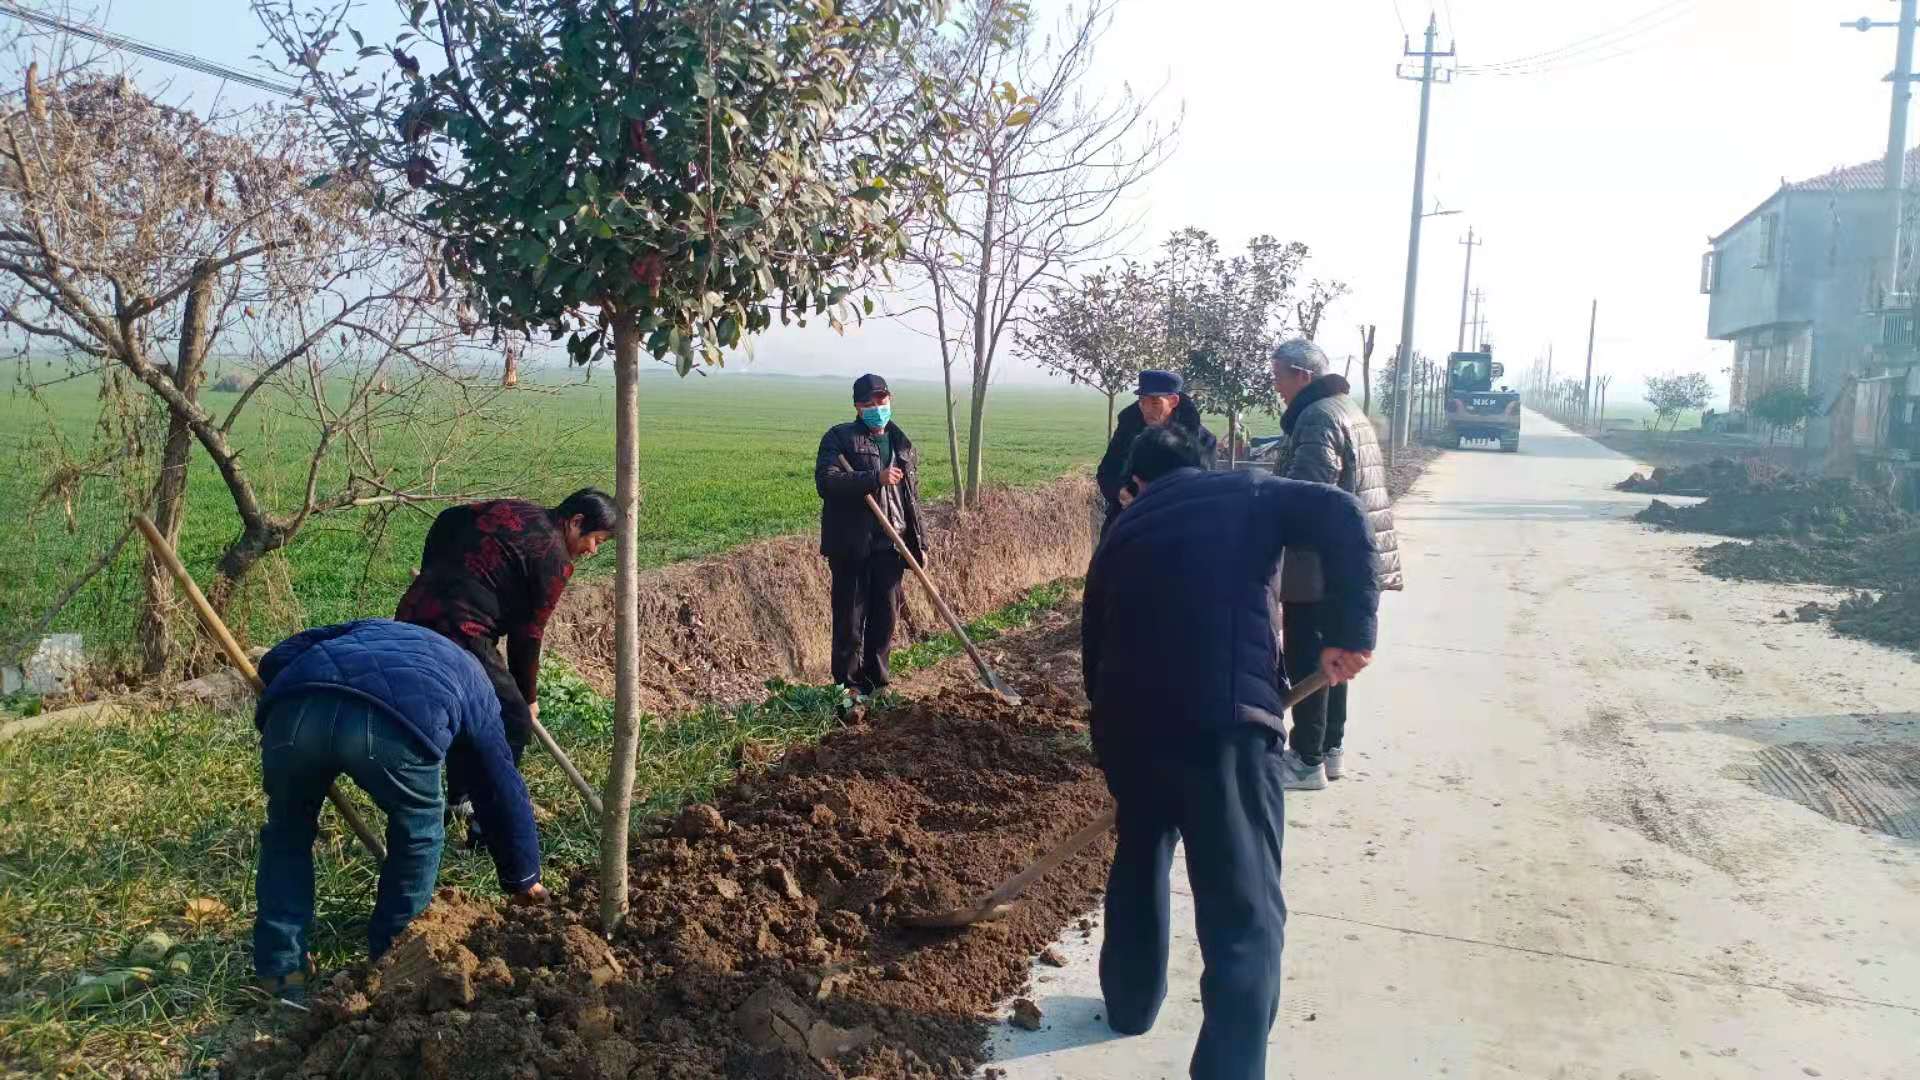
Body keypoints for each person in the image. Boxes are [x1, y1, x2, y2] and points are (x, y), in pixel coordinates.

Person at [1082, 425, 1379, 1080]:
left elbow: (1092, 639)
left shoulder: (1123, 531)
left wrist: (1112, 750)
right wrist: (1351, 631)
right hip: (1225, 728)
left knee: (1139, 861)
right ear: (1206, 462)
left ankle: (1130, 1004)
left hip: (1133, 727)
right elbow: (1343, 512)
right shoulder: (1249, 489)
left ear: (1135, 484)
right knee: (1243, 910)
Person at [251, 619, 546, 1004]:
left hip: (296, 711)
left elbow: (276, 658)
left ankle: (279, 969)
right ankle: (393, 957)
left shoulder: (372, 627)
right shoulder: (477, 682)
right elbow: (498, 786)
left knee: (287, 833)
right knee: (418, 834)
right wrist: (523, 876)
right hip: (392, 727)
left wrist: (312, 690)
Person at [396, 488, 613, 839]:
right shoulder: (555, 558)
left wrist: (435, 570)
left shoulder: (520, 511)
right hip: (460, 630)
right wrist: (527, 697)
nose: (593, 550)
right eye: (595, 539)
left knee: (466, 706)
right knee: (511, 717)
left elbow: (449, 517)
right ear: (576, 522)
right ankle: (489, 824)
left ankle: (460, 799)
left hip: (416, 609)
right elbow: (528, 635)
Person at [1268, 339, 1404, 790]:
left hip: (1321, 560)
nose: (1276, 386)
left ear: (1301, 376)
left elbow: (1308, 490)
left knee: (1309, 653)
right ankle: (1329, 750)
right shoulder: (1346, 408)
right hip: (1351, 556)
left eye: (1279, 376)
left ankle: (1305, 760)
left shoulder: (1317, 416)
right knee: (1337, 651)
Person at [815, 373, 927, 695]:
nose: (877, 406)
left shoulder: (901, 443)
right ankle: (848, 689)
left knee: (885, 617)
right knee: (850, 621)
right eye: (870, 402)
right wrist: (873, 477)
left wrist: (920, 541)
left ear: (890, 400)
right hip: (852, 545)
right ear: (857, 406)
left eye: (882, 400)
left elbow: (911, 499)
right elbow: (827, 482)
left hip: (891, 544)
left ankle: (876, 683)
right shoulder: (839, 438)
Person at [1095, 368, 1218, 537]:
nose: (1146, 409)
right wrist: (1120, 493)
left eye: (1155, 403)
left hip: (1178, 530)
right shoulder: (1128, 430)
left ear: (1173, 401)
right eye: (1142, 401)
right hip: (1127, 523)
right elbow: (1106, 473)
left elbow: (1203, 491)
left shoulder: (1202, 441)